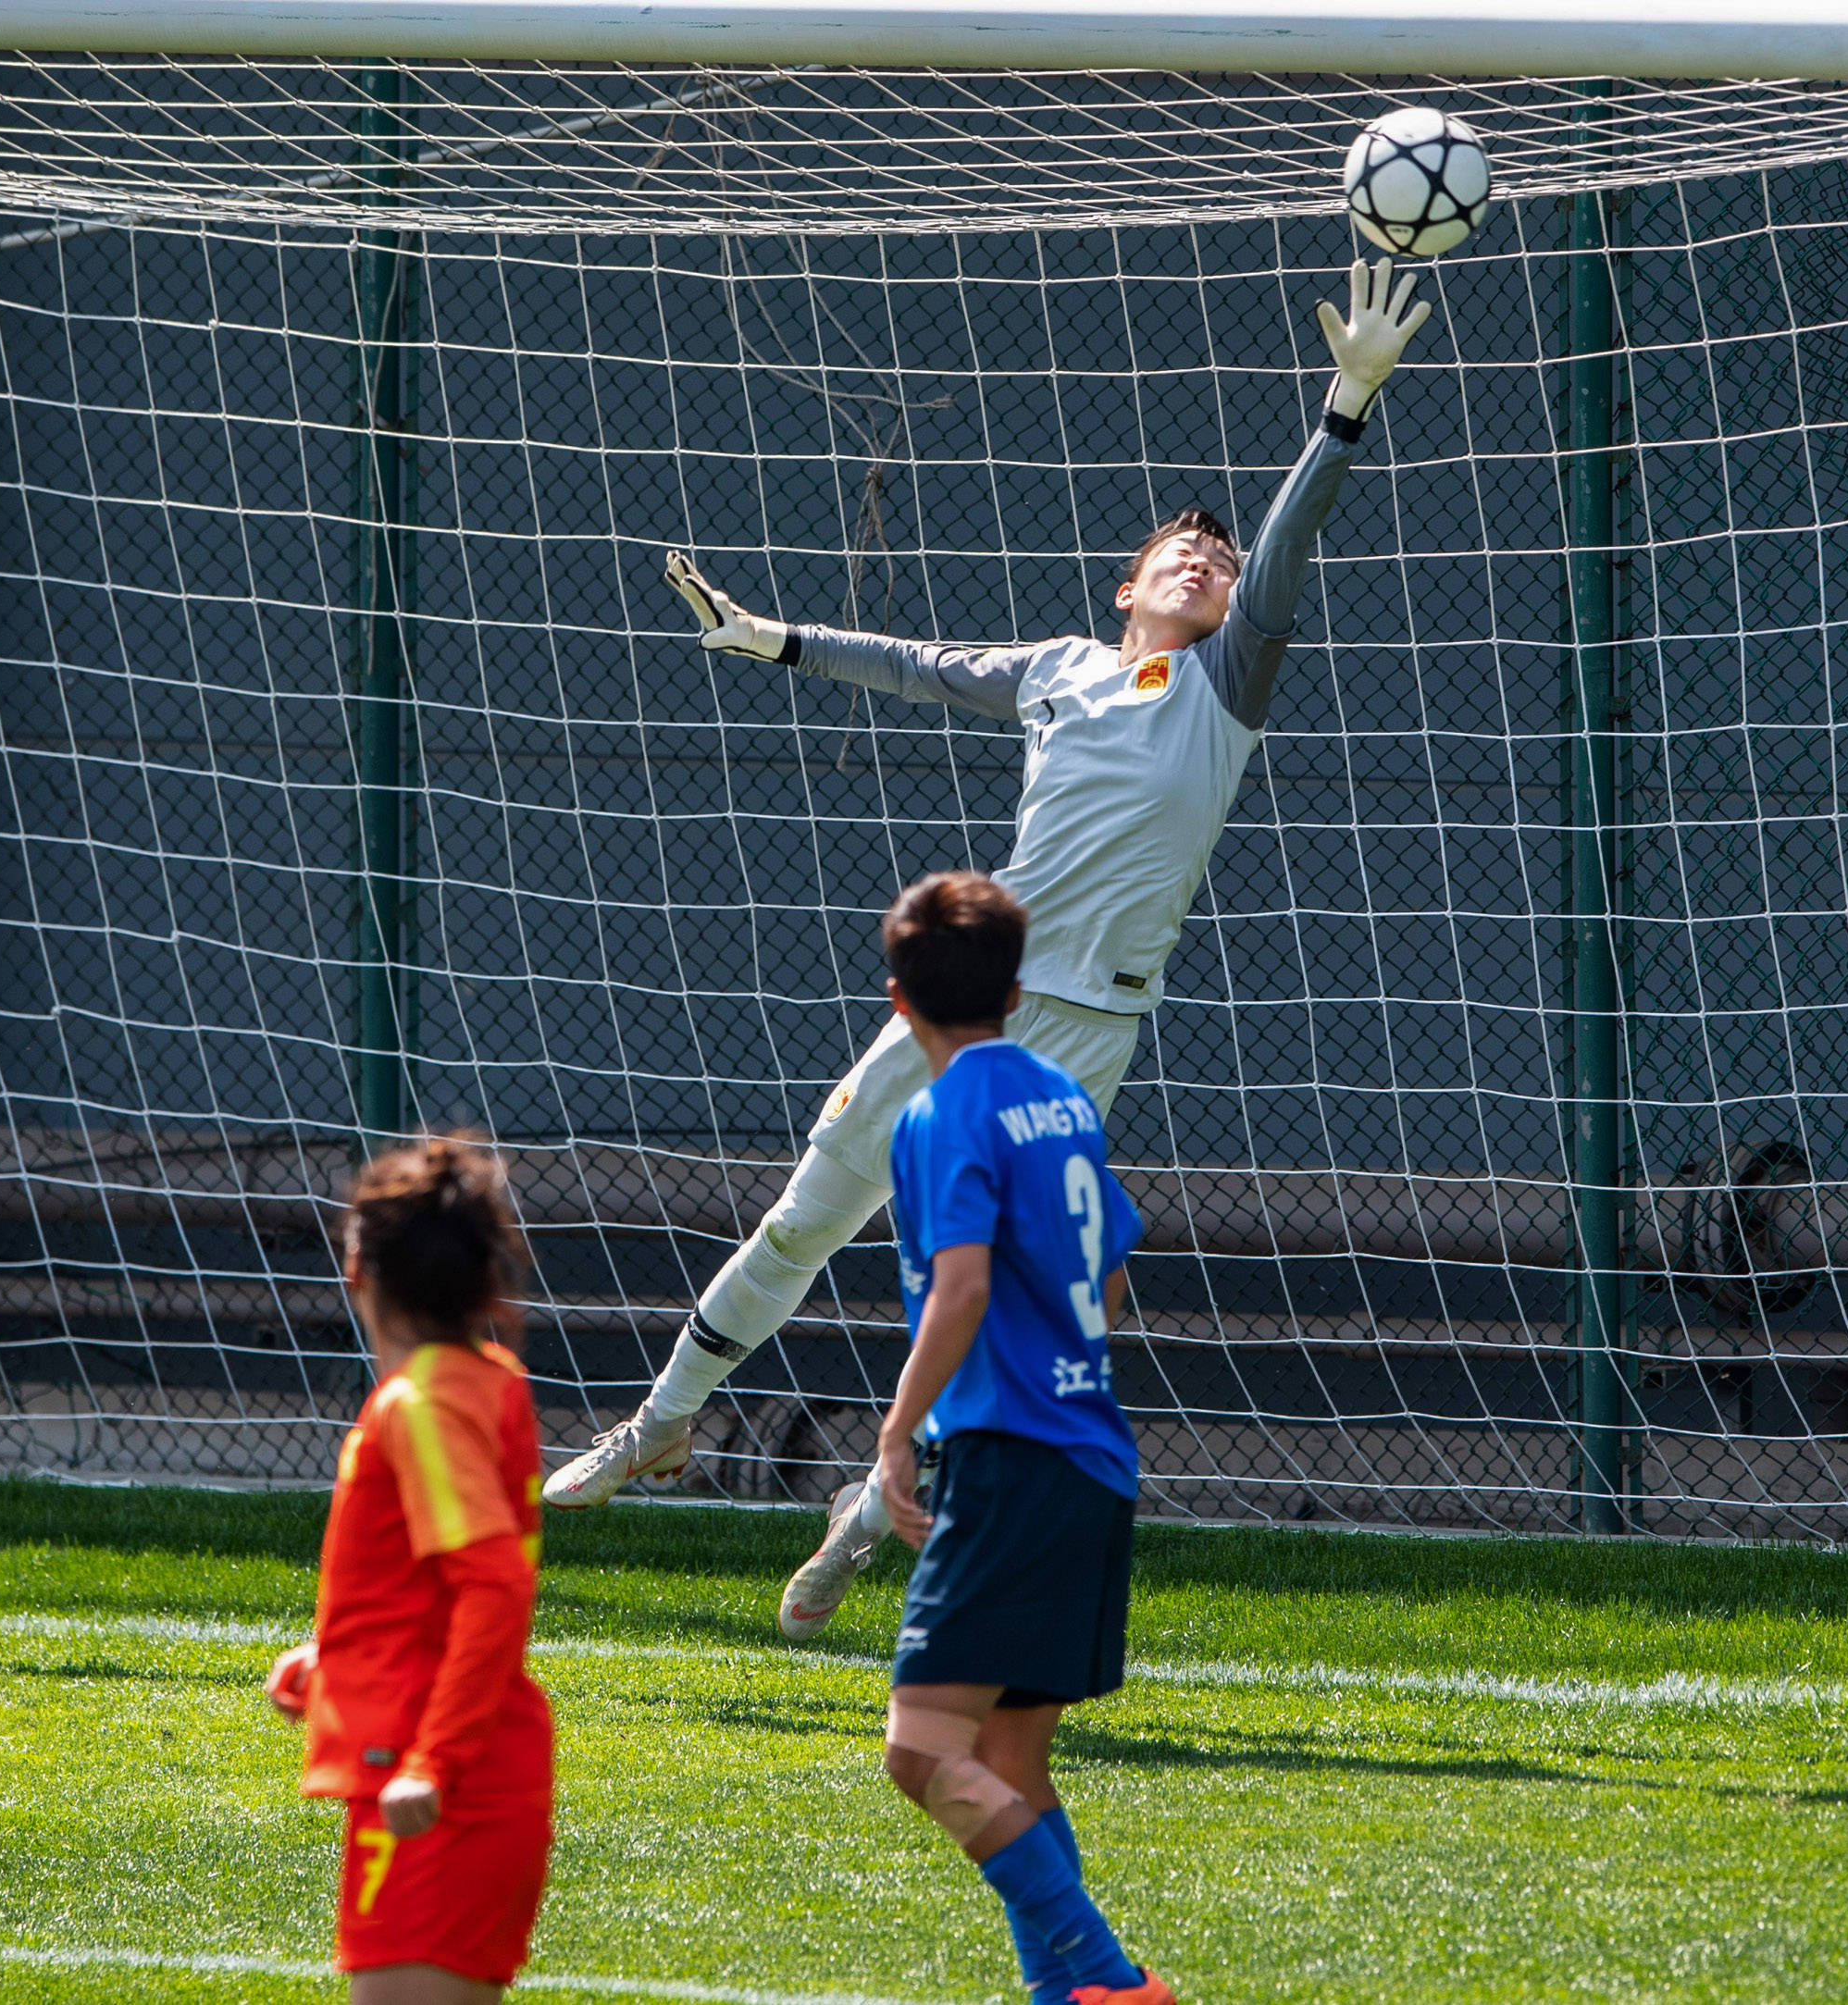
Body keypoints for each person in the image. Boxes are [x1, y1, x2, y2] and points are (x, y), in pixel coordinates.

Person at [546, 260, 1433, 1640]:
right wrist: (777, 640)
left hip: (1084, 1031)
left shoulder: (1227, 679)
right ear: (1126, 583)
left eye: (1219, 552)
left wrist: (1344, 408)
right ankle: (656, 1424)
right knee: (806, 1213)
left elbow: (1290, 546)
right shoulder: (1062, 667)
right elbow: (914, 662)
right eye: (1177, 549)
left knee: (1017, 1299)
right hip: (970, 1002)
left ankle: (864, 1515)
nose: (1205, 558)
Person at [867, 873, 1166, 2005]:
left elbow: (960, 1288)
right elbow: (1112, 1279)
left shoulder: (941, 1116)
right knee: (1008, 1761)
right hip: (1090, 1452)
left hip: (1008, 1456)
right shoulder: (1060, 1098)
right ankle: (1067, 1997)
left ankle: (1106, 1976)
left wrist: (897, 1433)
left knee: (920, 1754)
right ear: (1018, 986)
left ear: (899, 1000)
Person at [266, 1135, 553, 2005]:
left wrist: (432, 1759)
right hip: (463, 1769)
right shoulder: (486, 1378)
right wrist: (341, 1664)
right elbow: (433, 1582)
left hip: (437, 1791)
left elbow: (495, 1582)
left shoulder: (420, 1403)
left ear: (358, 1264)